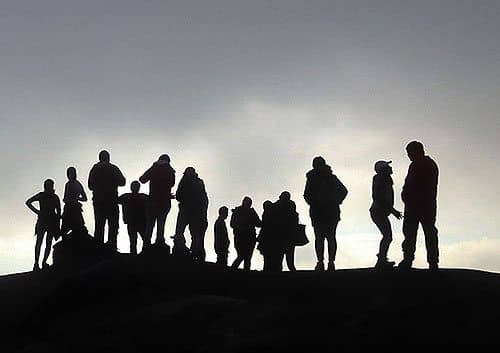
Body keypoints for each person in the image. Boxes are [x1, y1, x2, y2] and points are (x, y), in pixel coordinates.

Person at [399, 141, 440, 271]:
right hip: (422, 205)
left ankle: (415, 260)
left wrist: (407, 195)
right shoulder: (427, 164)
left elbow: (414, 184)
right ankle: (429, 261)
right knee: (420, 233)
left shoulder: (421, 165)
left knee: (423, 232)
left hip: (419, 205)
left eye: (409, 153)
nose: (409, 156)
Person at [304, 156, 348, 272]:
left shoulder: (327, 178)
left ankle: (327, 262)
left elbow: (344, 191)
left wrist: (334, 201)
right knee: (325, 237)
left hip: (327, 211)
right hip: (323, 211)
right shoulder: (318, 178)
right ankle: (324, 262)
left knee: (325, 237)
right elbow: (307, 195)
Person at [88, 150, 126, 249]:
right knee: (113, 225)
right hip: (111, 201)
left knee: (99, 225)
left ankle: (98, 248)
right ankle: (112, 247)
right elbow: (122, 182)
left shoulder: (95, 169)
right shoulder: (113, 168)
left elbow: (90, 186)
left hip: (99, 201)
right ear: (108, 158)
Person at [369, 160, 402, 269]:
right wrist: (393, 211)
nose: (390, 168)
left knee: (387, 236)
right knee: (387, 236)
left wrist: (392, 210)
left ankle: (382, 259)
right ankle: (381, 261)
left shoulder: (385, 179)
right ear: (383, 169)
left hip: (379, 211)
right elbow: (378, 197)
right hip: (378, 211)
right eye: (388, 166)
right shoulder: (381, 179)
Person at [139, 154, 175, 248]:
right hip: (164, 202)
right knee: (161, 223)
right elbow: (172, 183)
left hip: (152, 201)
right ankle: (159, 243)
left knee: (150, 224)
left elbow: (142, 179)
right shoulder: (170, 170)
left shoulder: (154, 168)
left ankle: (146, 245)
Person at [173, 167, 209, 261]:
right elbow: (204, 199)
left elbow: (178, 195)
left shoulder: (184, 181)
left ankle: (181, 249)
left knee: (180, 232)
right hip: (196, 212)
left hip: (187, 211)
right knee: (194, 234)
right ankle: (194, 252)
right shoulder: (199, 182)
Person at [25, 179, 61, 271]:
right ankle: (38, 263)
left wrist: (38, 212)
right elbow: (28, 202)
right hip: (46, 221)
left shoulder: (48, 196)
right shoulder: (50, 196)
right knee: (42, 243)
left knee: (44, 243)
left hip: (47, 221)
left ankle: (41, 263)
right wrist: (37, 212)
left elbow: (28, 202)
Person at [230, 196, 261, 270]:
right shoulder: (238, 211)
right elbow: (232, 224)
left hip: (249, 238)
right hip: (241, 237)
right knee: (242, 256)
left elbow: (258, 224)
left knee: (247, 258)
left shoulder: (251, 212)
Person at [118, 181, 148, 255]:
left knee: (134, 241)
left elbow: (114, 200)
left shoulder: (126, 197)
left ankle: (135, 255)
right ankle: (145, 254)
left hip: (134, 222)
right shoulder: (143, 197)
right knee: (143, 239)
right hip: (139, 222)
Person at [273, 191, 300, 272]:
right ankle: (290, 268)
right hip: (286, 233)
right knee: (287, 253)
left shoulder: (276, 205)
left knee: (283, 253)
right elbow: (295, 216)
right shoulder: (290, 204)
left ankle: (285, 268)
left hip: (284, 233)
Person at [60, 166, 88, 237]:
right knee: (64, 230)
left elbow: (85, 198)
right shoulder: (68, 184)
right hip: (68, 208)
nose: (70, 175)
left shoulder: (77, 184)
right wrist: (67, 199)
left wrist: (76, 198)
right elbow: (65, 197)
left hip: (75, 208)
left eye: (72, 173)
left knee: (79, 228)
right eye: (69, 174)